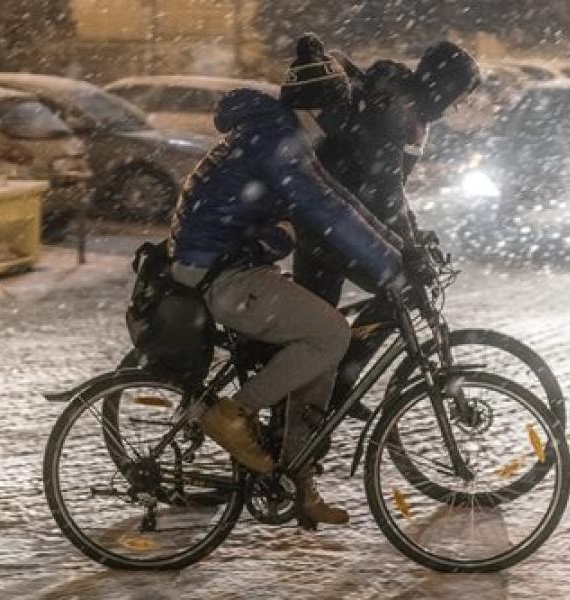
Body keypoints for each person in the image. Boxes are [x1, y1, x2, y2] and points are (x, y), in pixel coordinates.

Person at [168, 33, 403, 526]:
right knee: (331, 333)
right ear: (326, 108)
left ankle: (300, 481)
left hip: (226, 263)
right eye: (340, 107)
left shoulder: (279, 133)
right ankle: (233, 413)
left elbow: (339, 201)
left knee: (321, 347)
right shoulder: (280, 142)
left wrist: (397, 247)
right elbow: (329, 213)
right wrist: (389, 267)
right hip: (223, 274)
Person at [296, 41, 482, 307]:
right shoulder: (393, 109)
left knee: (319, 312)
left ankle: (331, 345)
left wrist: (414, 236)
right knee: (397, 284)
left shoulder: (409, 107)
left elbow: (391, 187)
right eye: (463, 94)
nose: (460, 105)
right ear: (447, 86)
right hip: (324, 218)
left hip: (335, 216)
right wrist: (409, 246)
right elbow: (384, 187)